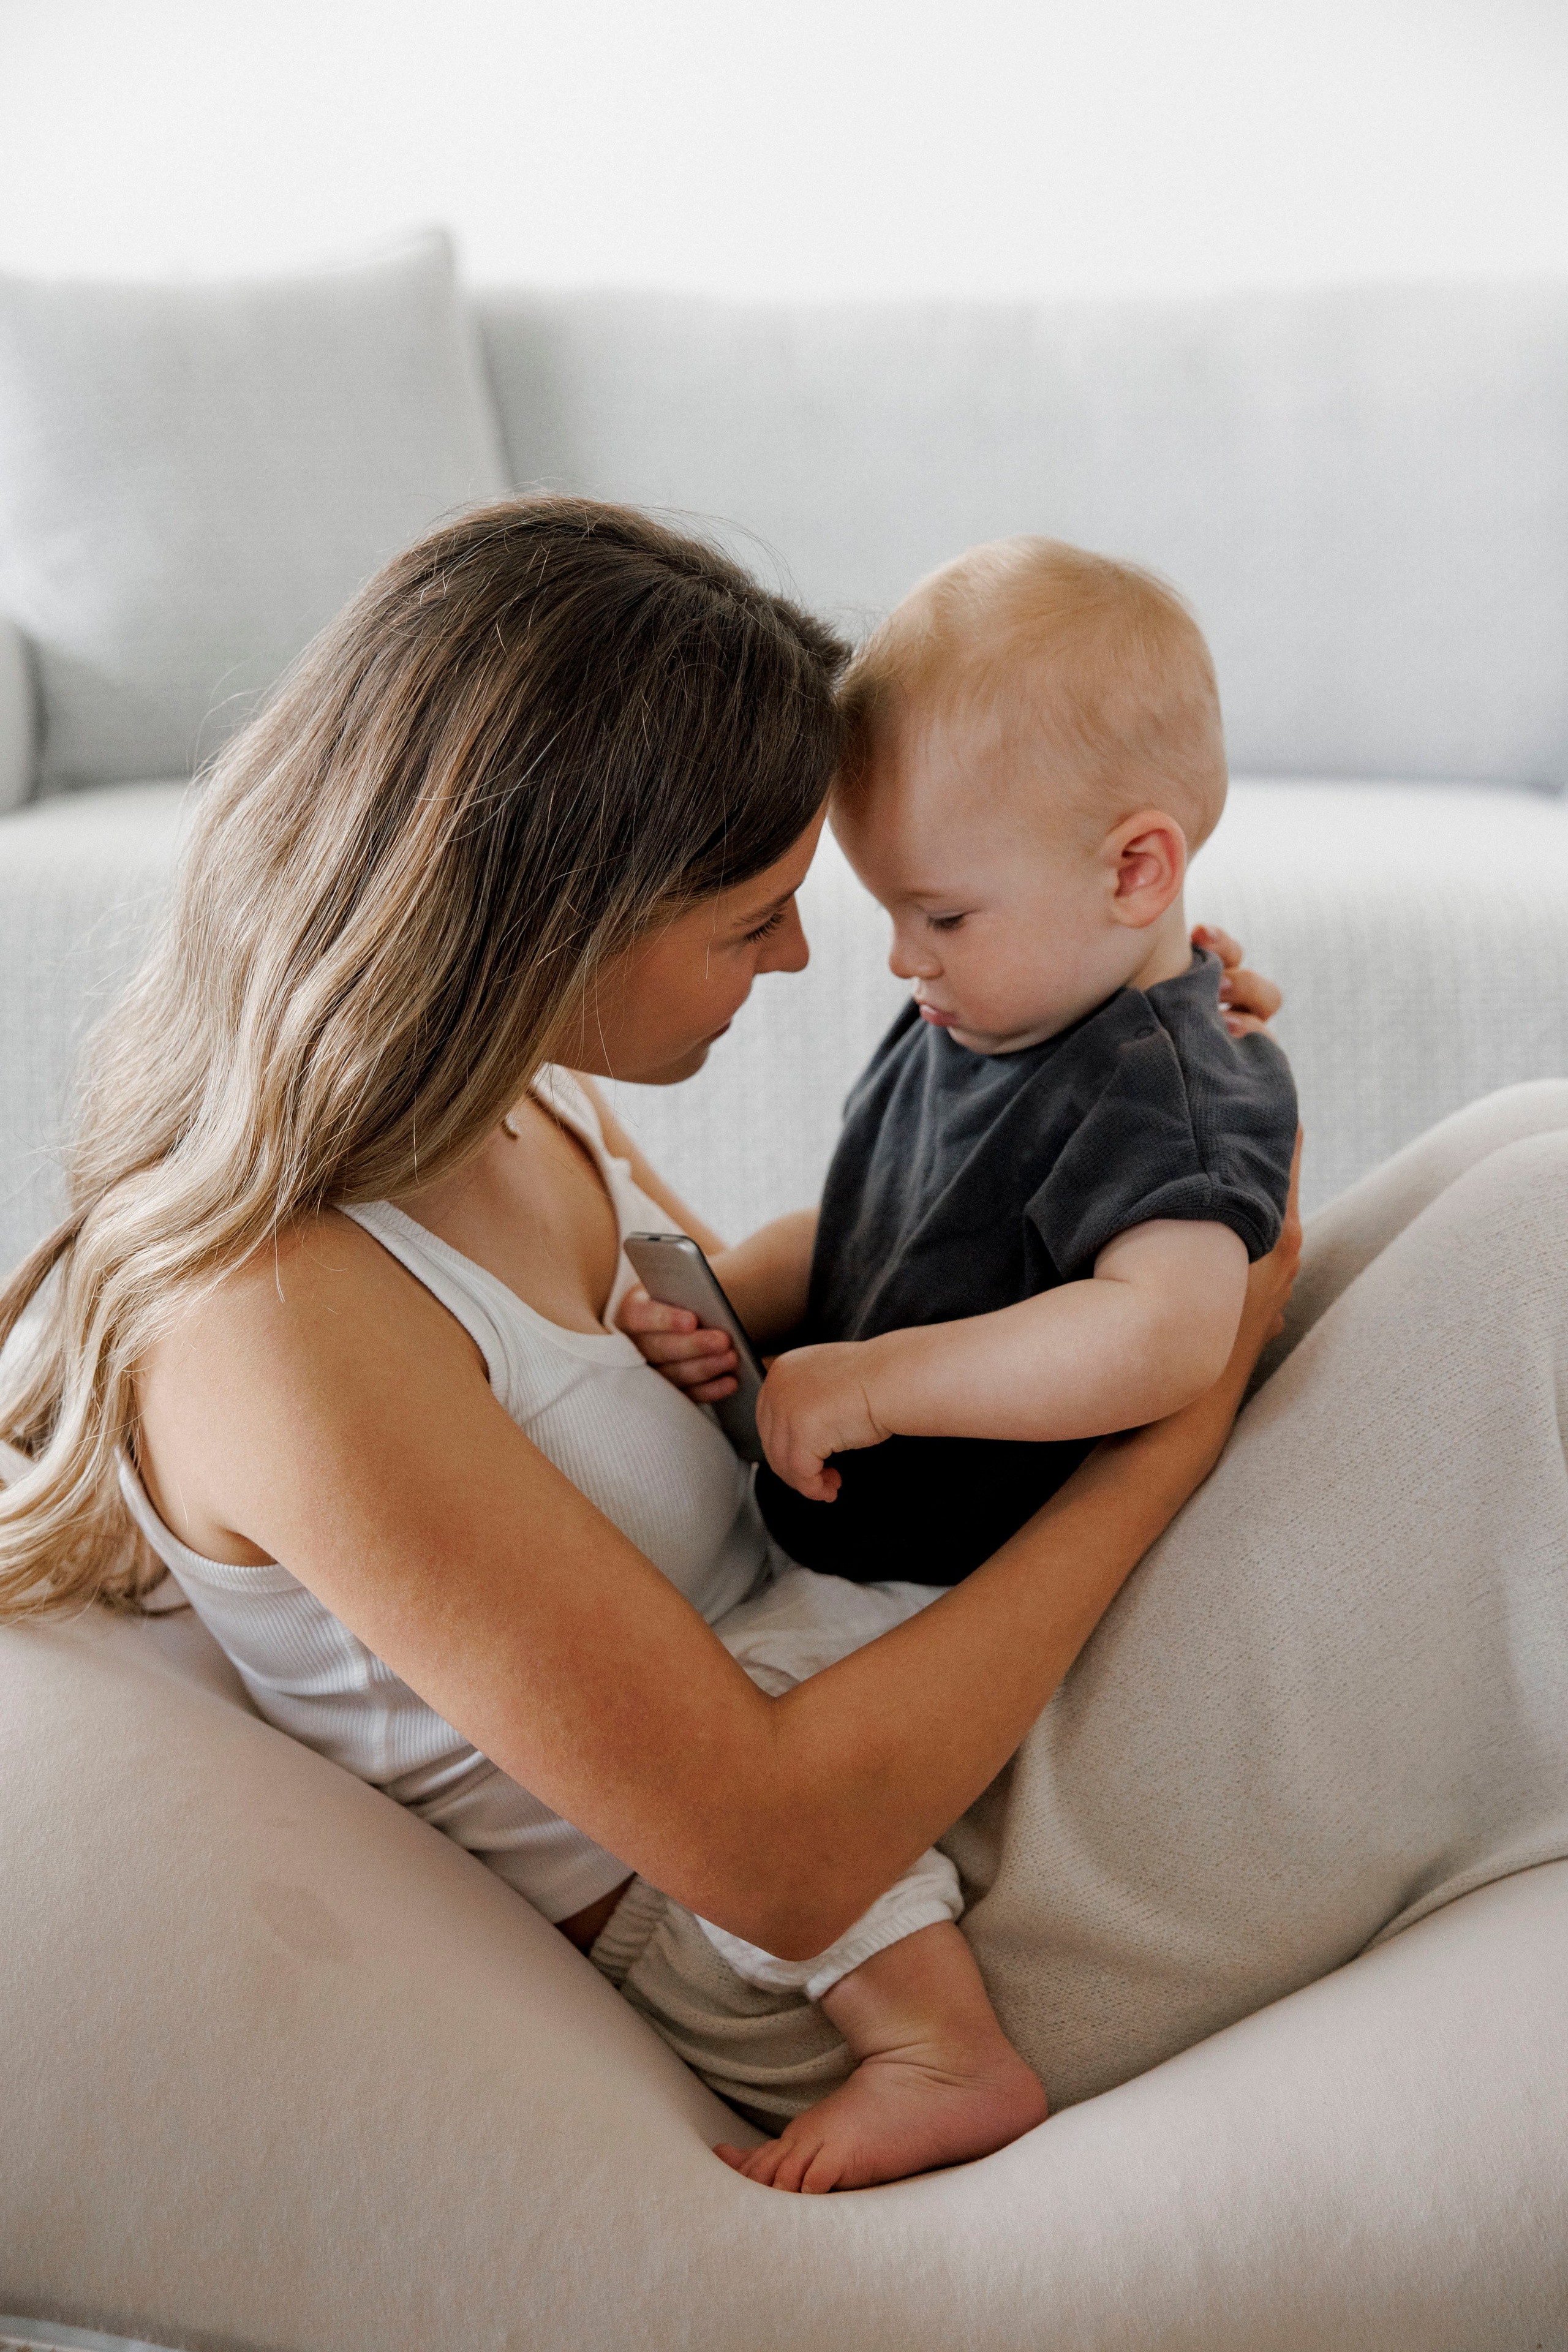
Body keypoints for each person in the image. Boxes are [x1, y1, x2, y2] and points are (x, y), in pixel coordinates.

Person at [0, 497, 1298, 2196]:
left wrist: (1129, 1061)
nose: (807, 952)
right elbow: (776, 1850)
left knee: (1505, 1190)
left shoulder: (533, 1108)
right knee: (1528, 1253)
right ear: (549, 922)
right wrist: (1172, 1432)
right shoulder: (280, 1320)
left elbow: (812, 1304)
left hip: (923, 1717)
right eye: (750, 915)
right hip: (832, 1955)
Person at [623, 538, 1297, 1586]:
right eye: (892, 909)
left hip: (982, 1602)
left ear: (1136, 870)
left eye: (942, 913)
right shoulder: (982, 1011)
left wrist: (879, 1384)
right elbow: (880, 1224)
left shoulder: (1173, 1096)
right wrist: (735, 1301)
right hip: (854, 1552)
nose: (904, 956)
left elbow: (1162, 1330)